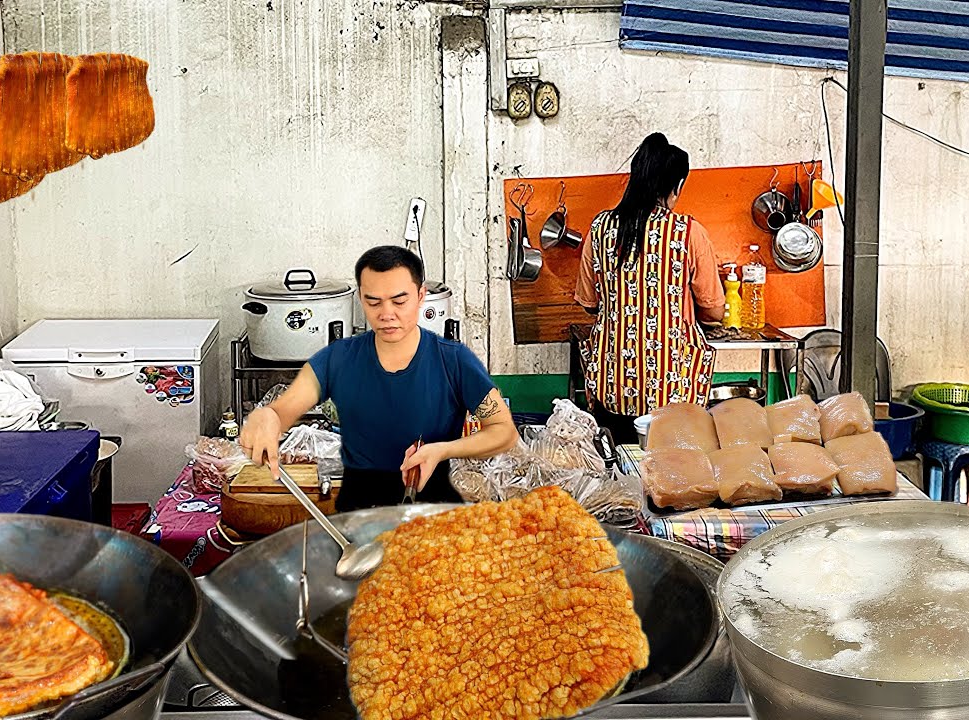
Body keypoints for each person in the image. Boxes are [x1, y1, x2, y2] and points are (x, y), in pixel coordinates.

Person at [241, 246, 519, 511]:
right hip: (359, 517)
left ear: (420, 296)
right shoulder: (338, 359)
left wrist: (441, 451)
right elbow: (284, 409)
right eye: (373, 302)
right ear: (361, 299)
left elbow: (503, 431)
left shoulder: (454, 361)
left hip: (434, 516)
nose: (386, 314)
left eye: (399, 301)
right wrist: (268, 417)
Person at [574, 132, 726, 444]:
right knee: (671, 466)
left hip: (612, 385)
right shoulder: (688, 232)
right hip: (671, 390)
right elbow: (713, 310)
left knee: (617, 464)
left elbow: (589, 302)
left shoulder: (600, 228)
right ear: (677, 186)